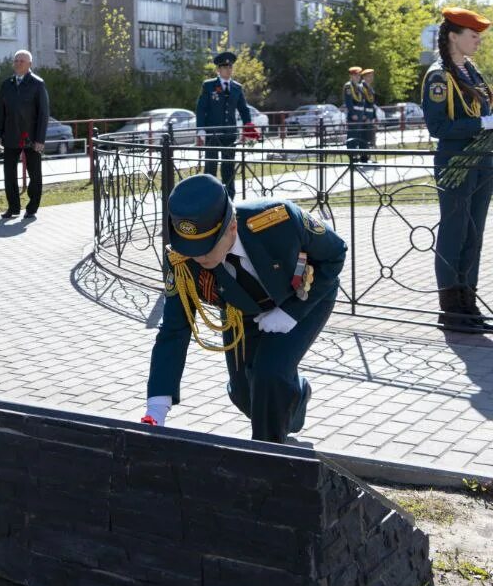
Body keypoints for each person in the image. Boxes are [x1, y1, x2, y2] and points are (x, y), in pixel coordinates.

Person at [142, 174, 345, 443]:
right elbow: (174, 329)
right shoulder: (183, 260)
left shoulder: (278, 219)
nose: (199, 258)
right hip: (241, 311)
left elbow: (335, 253)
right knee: (244, 394)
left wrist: (291, 312)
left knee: (269, 373)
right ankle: (296, 393)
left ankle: (268, 457)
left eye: (207, 249)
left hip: (302, 299)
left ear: (232, 228)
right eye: (191, 249)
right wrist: (157, 405)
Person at [421, 7, 493, 334]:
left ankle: (469, 301)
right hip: (455, 164)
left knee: (474, 235)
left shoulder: (472, 72)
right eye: (473, 35)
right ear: (454, 35)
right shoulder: (439, 76)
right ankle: (451, 308)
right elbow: (437, 127)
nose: (478, 41)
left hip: (482, 163)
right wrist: (483, 123)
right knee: (455, 233)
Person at [0, 49, 49, 220]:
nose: (18, 63)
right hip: (10, 135)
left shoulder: (37, 84)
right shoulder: (6, 84)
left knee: (34, 174)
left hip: (31, 137)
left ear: (30, 64)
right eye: (16, 60)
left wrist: (40, 139)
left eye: (22, 61)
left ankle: (32, 207)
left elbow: (43, 113)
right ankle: (13, 208)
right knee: (9, 173)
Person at [195, 51, 254, 199]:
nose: (228, 70)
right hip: (213, 133)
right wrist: (201, 129)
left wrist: (248, 126)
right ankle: (210, 197)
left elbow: (243, 109)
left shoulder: (236, 87)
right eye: (225, 67)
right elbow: (201, 108)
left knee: (228, 167)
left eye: (230, 67)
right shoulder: (209, 86)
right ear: (218, 70)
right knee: (211, 167)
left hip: (229, 133)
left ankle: (229, 198)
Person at [359, 68, 378, 160]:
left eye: (372, 76)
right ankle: (363, 157)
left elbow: (372, 104)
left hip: (370, 115)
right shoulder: (361, 88)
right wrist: (365, 116)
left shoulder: (370, 88)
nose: (371, 78)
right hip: (365, 116)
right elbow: (361, 103)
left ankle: (367, 155)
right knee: (364, 136)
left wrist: (375, 116)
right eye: (369, 76)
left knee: (369, 136)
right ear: (364, 77)